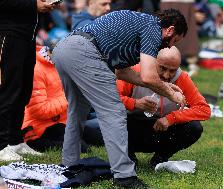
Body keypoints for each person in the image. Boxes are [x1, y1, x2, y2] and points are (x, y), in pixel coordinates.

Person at [52, 9, 188, 188]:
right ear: (170, 30)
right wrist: (171, 94)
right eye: (174, 41)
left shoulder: (138, 25)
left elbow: (121, 72)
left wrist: (165, 87)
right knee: (114, 112)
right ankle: (124, 176)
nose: (169, 46)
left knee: (77, 110)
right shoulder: (153, 27)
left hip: (64, 49)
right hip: (85, 52)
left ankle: (70, 164)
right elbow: (148, 76)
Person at [116, 46, 211, 168]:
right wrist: (135, 103)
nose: (166, 75)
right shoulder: (133, 72)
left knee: (194, 127)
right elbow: (110, 99)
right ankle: (128, 156)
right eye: (162, 68)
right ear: (153, 60)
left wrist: (171, 118)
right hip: (133, 127)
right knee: (113, 120)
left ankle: (161, 157)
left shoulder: (182, 78)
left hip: (163, 131)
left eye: (173, 71)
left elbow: (204, 109)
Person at [0, 0, 58, 161]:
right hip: (8, 34)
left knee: (23, 91)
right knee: (8, 90)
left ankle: (15, 141)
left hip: (28, 37)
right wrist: (34, 5)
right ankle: (2, 145)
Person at [21, 46, 68, 152]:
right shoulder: (36, 69)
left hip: (63, 121)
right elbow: (39, 110)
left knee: (99, 135)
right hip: (41, 127)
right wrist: (69, 98)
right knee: (81, 147)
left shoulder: (58, 64)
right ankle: (34, 143)